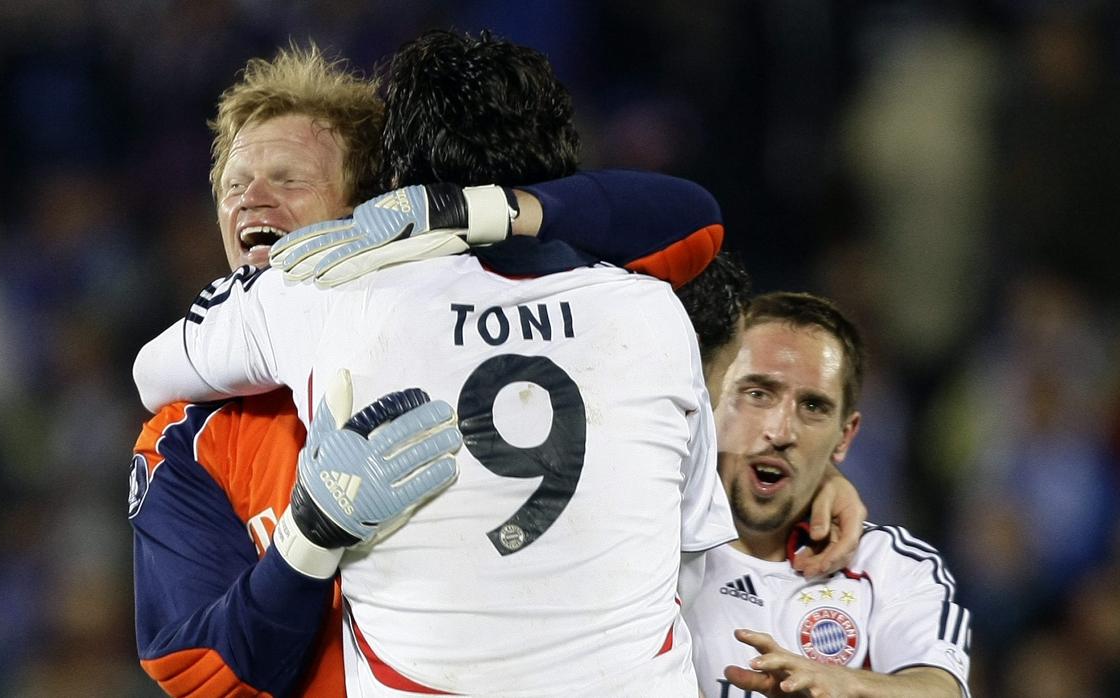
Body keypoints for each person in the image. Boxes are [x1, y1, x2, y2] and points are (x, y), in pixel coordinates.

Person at [133, 30, 746, 695]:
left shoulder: (327, 303)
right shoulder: (192, 435)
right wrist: (306, 545)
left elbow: (687, 220)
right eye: (234, 184)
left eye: (290, 180)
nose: (253, 199)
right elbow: (201, 673)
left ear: (377, 204)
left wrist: (470, 215)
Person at [677, 291, 971, 697]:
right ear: (713, 397)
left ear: (845, 436)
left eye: (813, 406)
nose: (780, 432)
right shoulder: (654, 538)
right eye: (758, 393)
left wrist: (842, 684)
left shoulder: (892, 564)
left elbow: (939, 690)